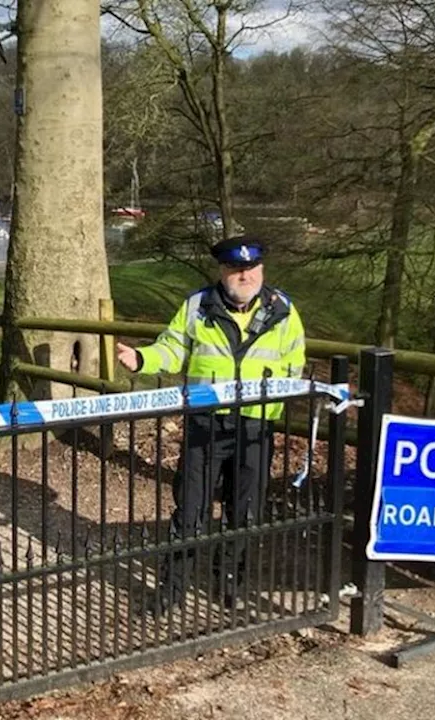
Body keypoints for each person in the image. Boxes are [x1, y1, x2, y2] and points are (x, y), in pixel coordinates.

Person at [116, 234, 306, 613]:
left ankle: (230, 583)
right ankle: (172, 589)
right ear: (222, 271)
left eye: (251, 268)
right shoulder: (197, 306)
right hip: (205, 424)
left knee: (245, 512)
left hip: (255, 426)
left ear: (261, 270)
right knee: (190, 510)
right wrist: (142, 359)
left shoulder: (283, 310)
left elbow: (295, 361)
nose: (244, 275)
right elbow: (172, 347)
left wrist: (279, 399)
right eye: (236, 269)